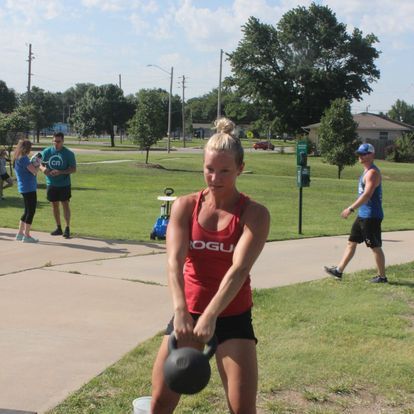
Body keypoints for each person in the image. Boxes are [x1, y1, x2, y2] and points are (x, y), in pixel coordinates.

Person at [151, 117, 270, 413]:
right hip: (187, 313)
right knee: (159, 405)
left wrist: (211, 316)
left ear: (241, 169)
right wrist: (181, 311)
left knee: (243, 409)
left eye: (224, 171)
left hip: (232, 316)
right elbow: (174, 261)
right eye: (209, 169)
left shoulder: (254, 214)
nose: (215, 177)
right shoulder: (185, 206)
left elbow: (239, 270)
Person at [324, 143, 387, 283]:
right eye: (359, 154)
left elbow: (367, 195)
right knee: (351, 242)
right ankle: (338, 271)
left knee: (375, 246)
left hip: (371, 216)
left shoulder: (372, 173)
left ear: (371, 155)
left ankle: (382, 277)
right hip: (363, 215)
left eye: (363, 154)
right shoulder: (366, 171)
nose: (360, 156)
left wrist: (351, 208)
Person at [40, 132, 76, 239]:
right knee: (54, 205)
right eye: (54, 141)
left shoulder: (69, 153)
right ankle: (58, 227)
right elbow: (39, 163)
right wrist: (44, 169)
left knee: (65, 204)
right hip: (51, 184)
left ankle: (67, 228)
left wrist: (60, 172)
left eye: (58, 141)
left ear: (63, 141)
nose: (56, 143)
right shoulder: (47, 152)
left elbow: (73, 169)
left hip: (64, 184)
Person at [13, 139, 39, 243]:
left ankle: (20, 233)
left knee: (27, 210)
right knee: (31, 211)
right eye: (30, 148)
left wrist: (32, 162)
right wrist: (37, 164)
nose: (30, 150)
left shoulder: (17, 158)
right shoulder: (24, 159)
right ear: (27, 148)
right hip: (29, 187)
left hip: (23, 187)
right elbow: (34, 171)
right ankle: (27, 235)